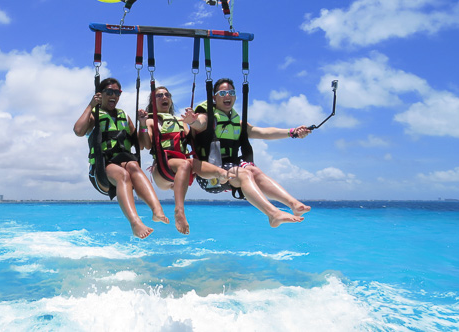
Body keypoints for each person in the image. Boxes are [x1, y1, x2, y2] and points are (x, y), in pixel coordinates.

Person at [190, 77, 312, 228]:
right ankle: (273, 214)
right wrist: (192, 121)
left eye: (231, 92)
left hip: (231, 170)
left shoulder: (238, 124)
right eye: (222, 93)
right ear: (214, 97)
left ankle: (293, 204)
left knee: (253, 169)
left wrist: (292, 132)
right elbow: (199, 122)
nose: (227, 95)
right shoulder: (208, 118)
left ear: (235, 97)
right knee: (245, 173)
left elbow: (264, 132)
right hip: (209, 176)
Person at [74, 77, 169, 238]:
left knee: (133, 166)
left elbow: (141, 145)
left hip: (124, 162)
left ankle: (156, 210)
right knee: (123, 175)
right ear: (100, 94)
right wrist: (91, 105)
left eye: (117, 92)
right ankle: (135, 223)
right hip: (102, 171)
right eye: (109, 92)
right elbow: (78, 131)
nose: (114, 95)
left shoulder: (123, 116)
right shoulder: (94, 115)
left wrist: (143, 124)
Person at [137, 86, 231, 235]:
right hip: (162, 169)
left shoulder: (181, 122)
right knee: (185, 164)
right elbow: (145, 145)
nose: (164, 97)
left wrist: (193, 121)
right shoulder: (150, 121)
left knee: (190, 163)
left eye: (167, 94)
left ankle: (222, 174)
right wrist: (142, 124)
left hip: (183, 170)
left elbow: (192, 139)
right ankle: (179, 211)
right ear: (153, 102)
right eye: (159, 95)